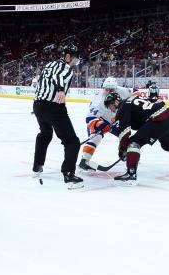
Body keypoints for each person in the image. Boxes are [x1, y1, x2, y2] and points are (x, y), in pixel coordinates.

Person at [111, 84, 169, 184]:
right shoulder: (133, 98)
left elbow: (125, 133)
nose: (110, 109)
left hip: (158, 120)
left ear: (116, 102)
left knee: (133, 143)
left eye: (110, 105)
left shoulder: (122, 108)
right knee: (168, 146)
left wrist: (123, 150)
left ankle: (131, 173)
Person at [31, 44, 85, 188]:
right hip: (54, 107)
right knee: (72, 141)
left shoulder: (49, 64)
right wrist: (60, 90)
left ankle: (37, 166)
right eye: (75, 58)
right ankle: (68, 174)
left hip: (38, 105)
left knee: (45, 134)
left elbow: (43, 80)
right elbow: (58, 76)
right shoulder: (64, 67)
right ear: (67, 56)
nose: (76, 62)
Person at [79, 76, 131, 171]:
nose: (108, 91)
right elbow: (90, 118)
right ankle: (84, 161)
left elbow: (135, 93)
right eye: (106, 89)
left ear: (116, 88)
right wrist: (99, 125)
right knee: (96, 137)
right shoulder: (98, 100)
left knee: (125, 135)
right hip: (100, 119)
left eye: (111, 89)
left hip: (115, 119)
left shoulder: (122, 91)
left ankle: (127, 154)